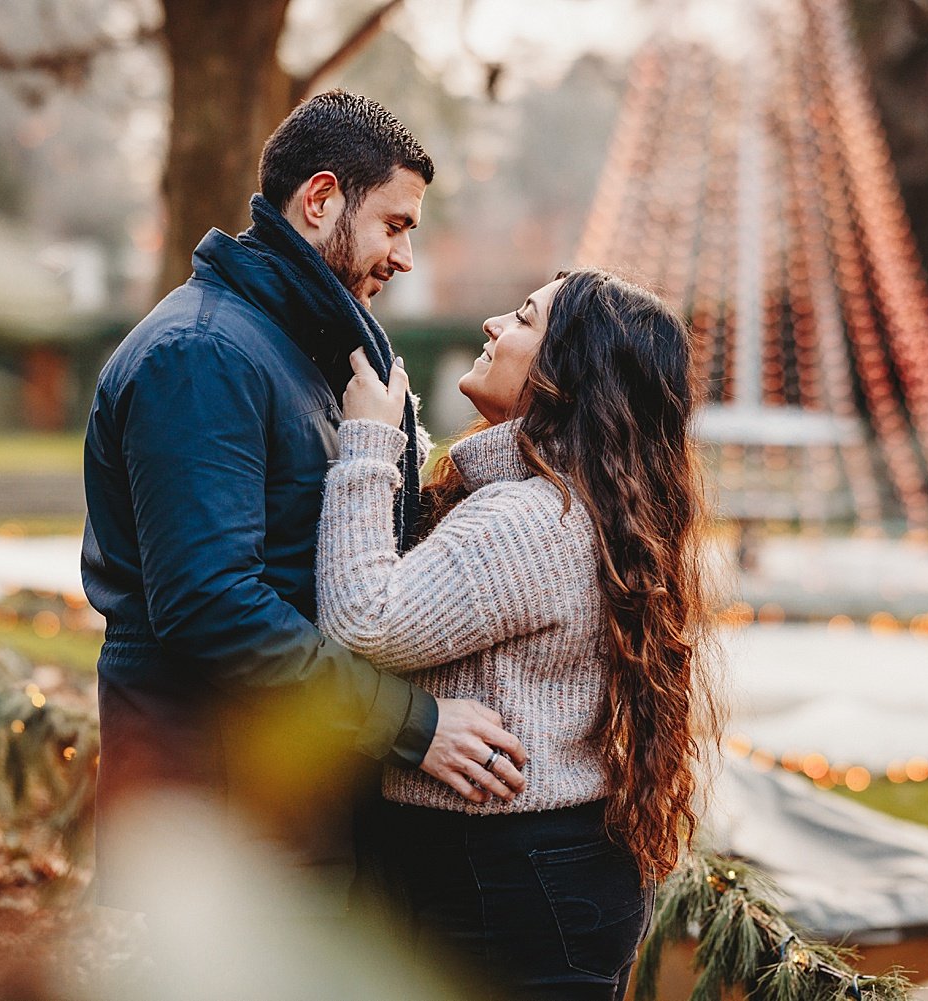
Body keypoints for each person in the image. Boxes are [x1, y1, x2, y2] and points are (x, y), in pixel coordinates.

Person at [81, 90, 526, 908]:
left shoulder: (306, 350)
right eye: (395, 226)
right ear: (320, 200)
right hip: (213, 823)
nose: (405, 259)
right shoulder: (203, 355)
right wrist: (413, 726)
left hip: (278, 807)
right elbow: (214, 606)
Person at [318, 269, 721, 1000]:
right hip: (541, 872)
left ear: (566, 375)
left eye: (526, 319)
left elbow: (365, 618)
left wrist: (370, 442)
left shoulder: (531, 523)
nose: (493, 324)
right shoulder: (567, 501)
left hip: (513, 882)